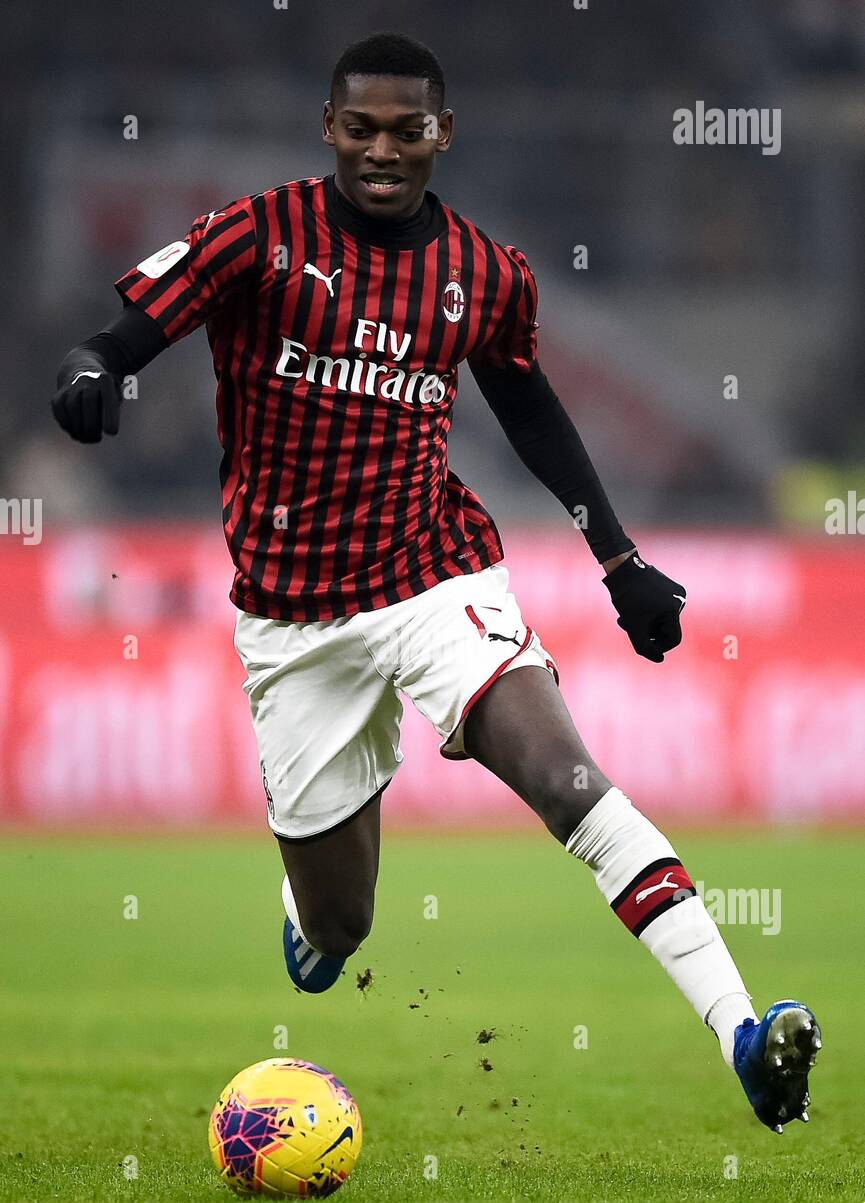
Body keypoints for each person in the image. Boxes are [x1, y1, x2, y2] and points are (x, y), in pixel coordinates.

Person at [51, 31, 820, 1132]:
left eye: (406, 131)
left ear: (440, 135)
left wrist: (620, 560)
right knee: (339, 930)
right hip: (291, 618)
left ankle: (742, 1033)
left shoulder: (483, 274)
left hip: (434, 577)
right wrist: (92, 370)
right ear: (329, 128)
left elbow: (532, 411)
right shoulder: (255, 236)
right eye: (359, 128)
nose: (380, 151)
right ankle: (314, 915)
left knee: (569, 786)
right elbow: (123, 331)